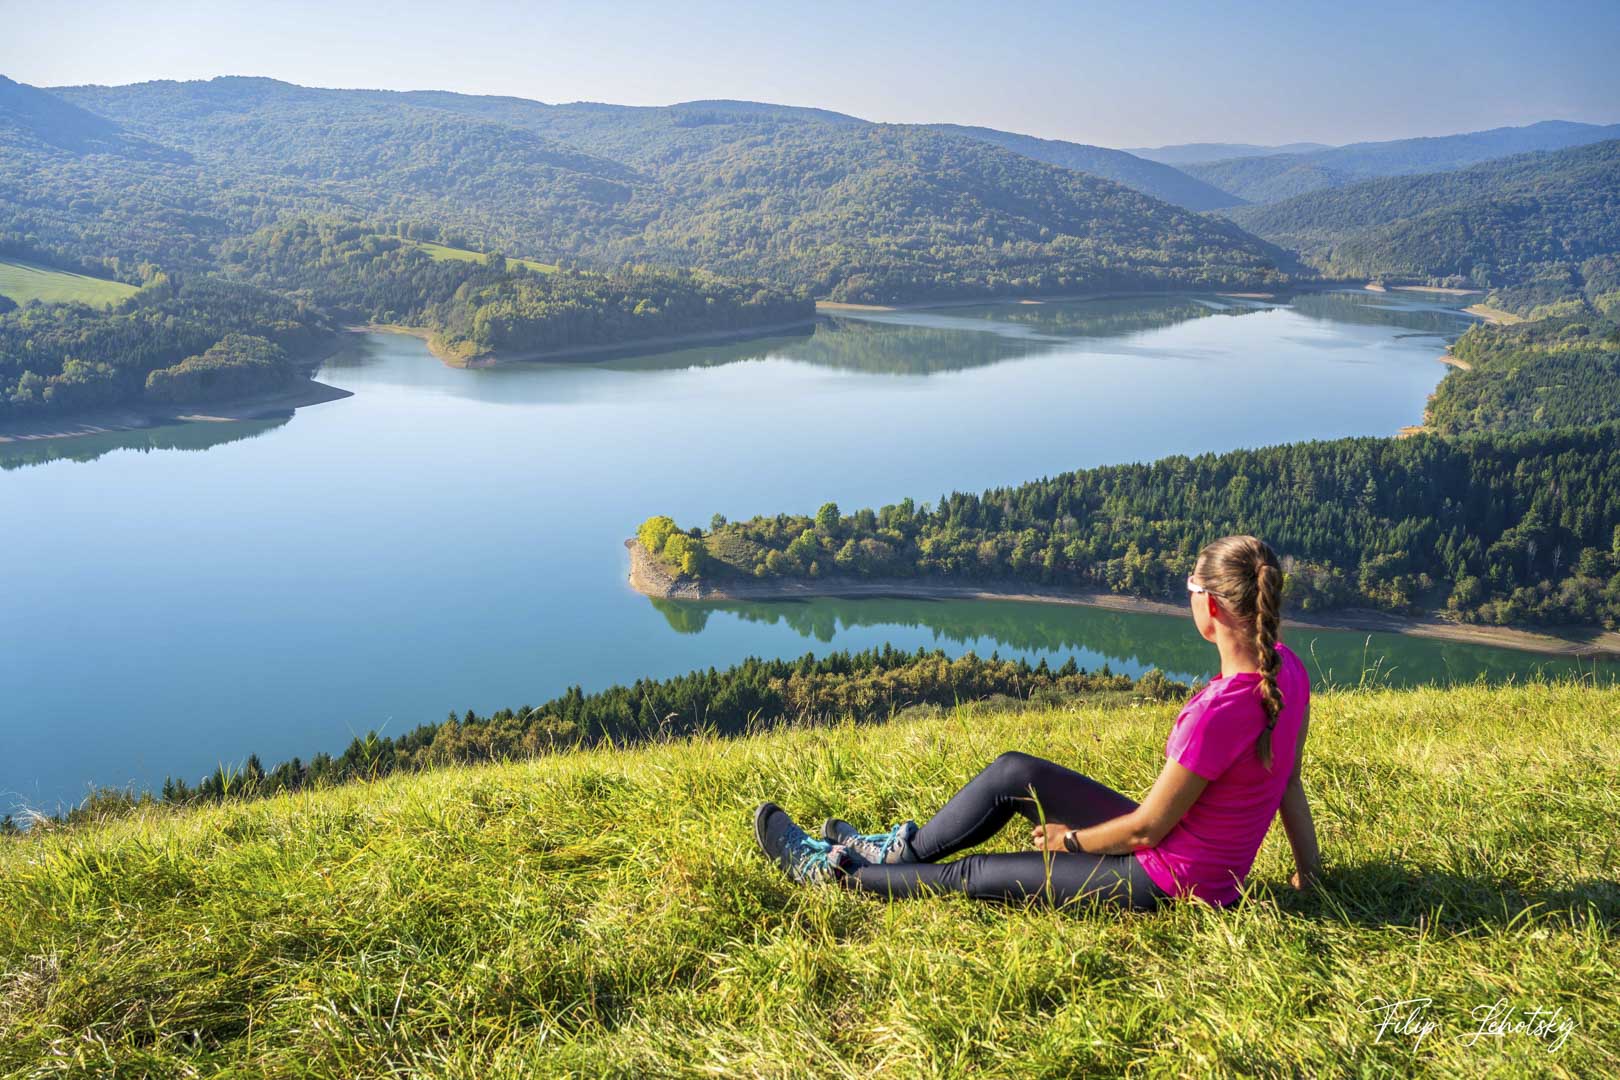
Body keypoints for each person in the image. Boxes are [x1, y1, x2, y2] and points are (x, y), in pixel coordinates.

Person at [753, 534, 1323, 911]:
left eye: (1191, 590)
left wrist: (1069, 841)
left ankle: (833, 875)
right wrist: (1308, 876)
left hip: (1171, 880)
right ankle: (897, 853)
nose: (1188, 600)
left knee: (973, 875)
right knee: (1013, 773)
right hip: (1183, 850)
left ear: (1214, 607)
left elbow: (1145, 832)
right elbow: (1287, 781)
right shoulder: (1287, 673)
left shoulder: (1220, 711)